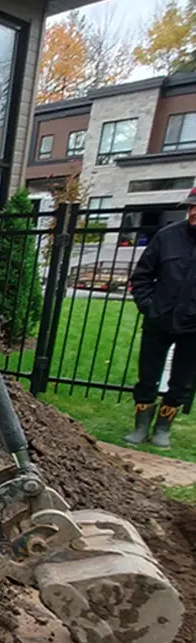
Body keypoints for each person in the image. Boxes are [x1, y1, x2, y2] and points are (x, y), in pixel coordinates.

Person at [124, 186, 196, 449]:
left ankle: (163, 428)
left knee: (182, 380)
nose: (193, 212)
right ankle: (141, 426)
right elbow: (142, 276)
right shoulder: (167, 237)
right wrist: (149, 306)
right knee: (148, 375)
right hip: (159, 320)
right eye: (191, 207)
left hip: (192, 327)